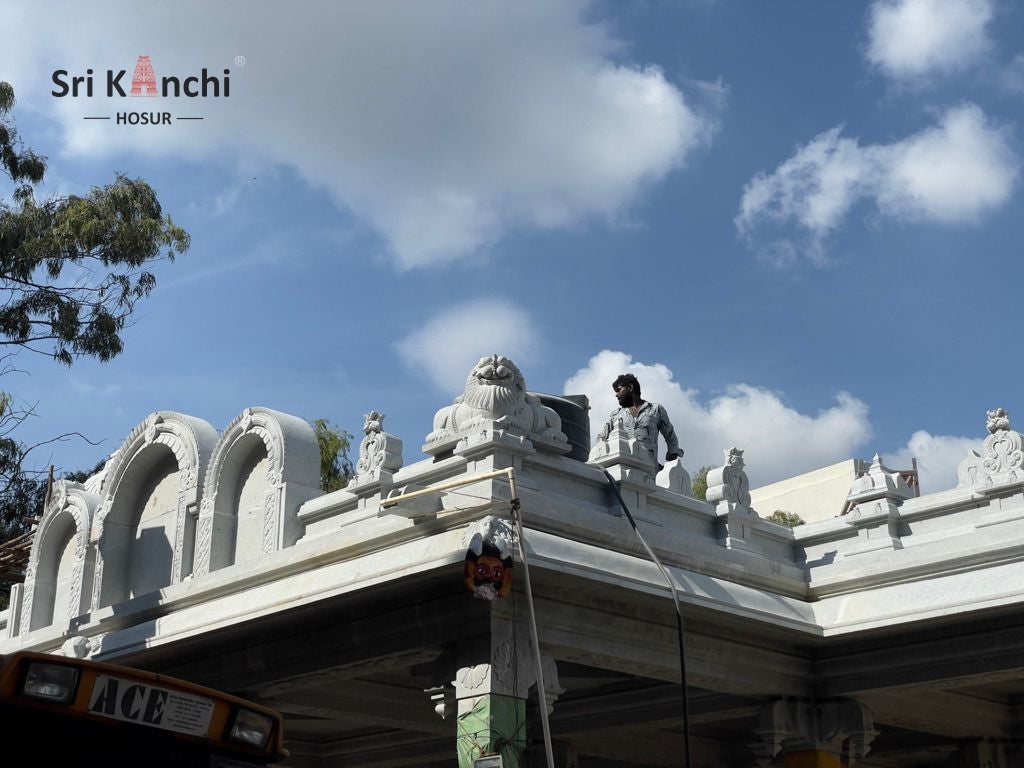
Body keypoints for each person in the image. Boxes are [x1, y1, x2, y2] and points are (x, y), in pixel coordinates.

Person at [599, 373, 682, 466]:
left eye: (619, 390)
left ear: (630, 388)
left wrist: (670, 466)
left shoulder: (655, 410)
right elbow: (601, 439)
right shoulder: (616, 415)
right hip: (624, 471)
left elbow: (671, 437)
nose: (616, 395)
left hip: (651, 472)